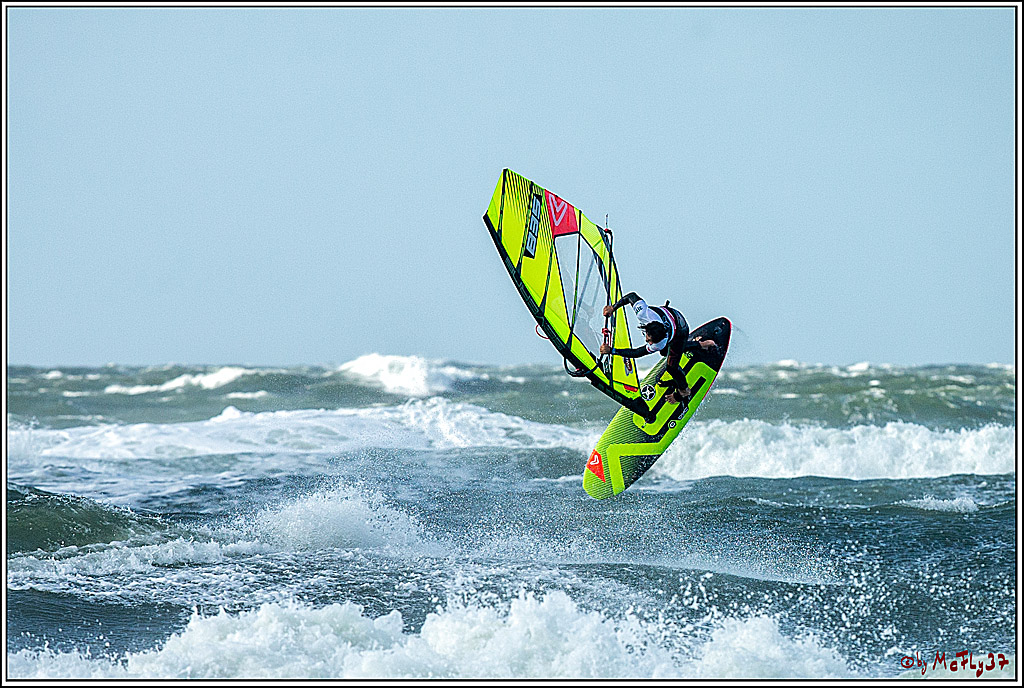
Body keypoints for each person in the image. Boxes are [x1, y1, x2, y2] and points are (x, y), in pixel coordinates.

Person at [599, 292, 718, 406]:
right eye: (648, 338)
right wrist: (613, 307)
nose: (647, 341)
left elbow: (637, 352)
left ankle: (684, 390)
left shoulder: (660, 342)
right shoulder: (644, 314)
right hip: (670, 314)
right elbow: (632, 296)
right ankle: (700, 344)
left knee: (671, 367)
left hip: (681, 330)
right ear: (647, 328)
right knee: (665, 352)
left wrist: (612, 351)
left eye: (650, 341)